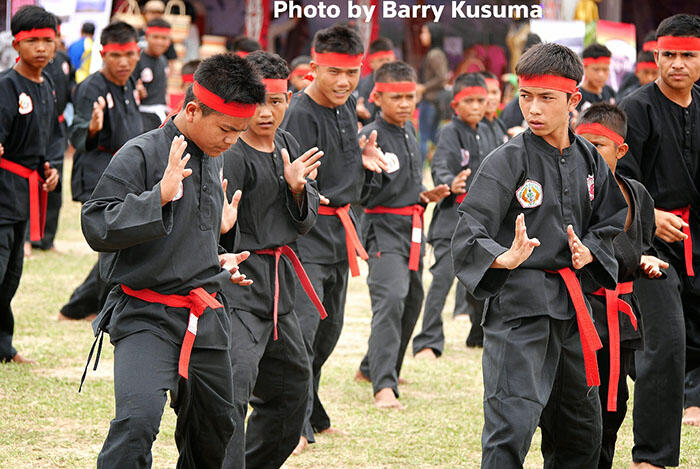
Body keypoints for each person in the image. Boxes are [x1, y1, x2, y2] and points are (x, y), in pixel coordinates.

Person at [80, 52, 264, 468]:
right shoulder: (140, 154)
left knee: (216, 424)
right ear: (194, 109)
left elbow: (188, 235)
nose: (232, 140)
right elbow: (95, 225)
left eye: (240, 131)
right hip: (146, 313)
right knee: (137, 422)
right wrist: (156, 198)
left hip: (205, 313)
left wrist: (218, 255)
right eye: (226, 129)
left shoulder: (214, 152)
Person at [451, 42, 627, 467]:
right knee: (511, 427)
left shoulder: (590, 160)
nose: (533, 109)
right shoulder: (505, 160)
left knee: (580, 431)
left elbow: (610, 220)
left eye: (547, 98)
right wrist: (502, 257)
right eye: (526, 97)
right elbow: (469, 231)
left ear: (573, 101)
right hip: (519, 309)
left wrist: (591, 251)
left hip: (574, 309)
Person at [281, 23, 389, 454]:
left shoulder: (348, 107)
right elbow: (294, 184)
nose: (343, 81)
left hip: (341, 235)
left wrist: (362, 160)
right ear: (313, 69)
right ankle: (294, 424)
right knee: (304, 334)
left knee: (329, 332)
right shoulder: (299, 114)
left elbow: (344, 176)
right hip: (307, 236)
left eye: (352, 71)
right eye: (333, 72)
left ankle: (314, 410)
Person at [220, 50, 325, 469]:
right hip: (238, 285)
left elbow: (304, 222)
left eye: (277, 101)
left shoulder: (287, 144)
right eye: (259, 100)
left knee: (293, 390)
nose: (267, 112)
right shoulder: (229, 150)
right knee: (233, 391)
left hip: (282, 289)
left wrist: (297, 190)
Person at [616, 13, 700, 467]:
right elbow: (618, 182)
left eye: (688, 55)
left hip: (697, 240)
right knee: (664, 344)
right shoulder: (637, 109)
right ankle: (652, 456)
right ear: (656, 56)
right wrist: (654, 216)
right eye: (669, 55)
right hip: (651, 248)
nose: (677, 64)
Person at [575, 103, 668, 469]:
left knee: (615, 403)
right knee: (583, 404)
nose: (588, 153)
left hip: (621, 316)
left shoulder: (638, 195)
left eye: (598, 145)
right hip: (582, 312)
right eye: (581, 144)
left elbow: (639, 246)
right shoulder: (574, 193)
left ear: (621, 150)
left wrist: (645, 261)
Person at [354, 60, 449, 408]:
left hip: (412, 226)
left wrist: (425, 196)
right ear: (378, 97)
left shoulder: (410, 131)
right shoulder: (369, 136)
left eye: (410, 97)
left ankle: (373, 367)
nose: (406, 104)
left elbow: (403, 184)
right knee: (391, 299)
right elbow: (362, 193)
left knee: (411, 301)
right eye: (397, 98)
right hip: (382, 230)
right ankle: (383, 385)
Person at [59, 22, 144, 322]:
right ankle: (89, 309)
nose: (123, 63)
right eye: (116, 56)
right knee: (113, 248)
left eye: (130, 55)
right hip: (99, 174)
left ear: (137, 52)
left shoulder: (130, 82)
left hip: (127, 172)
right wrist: (92, 128)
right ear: (103, 54)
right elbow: (77, 134)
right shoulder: (90, 88)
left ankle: (78, 308)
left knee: (121, 247)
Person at [412, 73, 489, 358]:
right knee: (442, 280)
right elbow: (440, 164)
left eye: (481, 100)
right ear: (456, 104)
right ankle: (428, 341)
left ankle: (479, 334)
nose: (476, 106)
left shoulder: (488, 131)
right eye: (469, 101)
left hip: (482, 221)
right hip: (452, 220)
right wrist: (449, 181)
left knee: (483, 281)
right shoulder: (449, 132)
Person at [0, 5, 60, 364]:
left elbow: (45, 136)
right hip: (3, 188)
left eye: (47, 41)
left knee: (10, 278)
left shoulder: (47, 84)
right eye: (32, 40)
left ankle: (3, 346)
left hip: (26, 191)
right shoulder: (6, 85)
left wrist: (48, 169)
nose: (40, 48)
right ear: (17, 44)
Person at [26, 16, 75, 253]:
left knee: (54, 184)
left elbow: (72, 89)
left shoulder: (64, 61)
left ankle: (48, 239)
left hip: (57, 128)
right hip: (33, 127)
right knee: (28, 181)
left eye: (51, 37)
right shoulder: (30, 63)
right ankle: (26, 238)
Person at [417, 23, 449, 162]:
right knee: (432, 137)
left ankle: (420, 168)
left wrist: (424, 87)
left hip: (430, 101)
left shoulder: (435, 54)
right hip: (433, 101)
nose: (421, 36)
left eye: (425, 32)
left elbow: (442, 78)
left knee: (423, 137)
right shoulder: (436, 53)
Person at [133, 18, 172, 131]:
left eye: (164, 38)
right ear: (146, 37)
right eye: (155, 37)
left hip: (160, 115)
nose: (160, 42)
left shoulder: (164, 60)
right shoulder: (136, 59)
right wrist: (136, 91)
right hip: (141, 118)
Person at [355, 37, 396, 126]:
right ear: (371, 63)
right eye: (381, 60)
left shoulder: (399, 82)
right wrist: (358, 110)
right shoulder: (364, 84)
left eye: (388, 59)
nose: (386, 63)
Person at [577, 43, 616, 113]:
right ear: (584, 68)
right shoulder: (577, 97)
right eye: (596, 69)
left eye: (605, 69)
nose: (601, 74)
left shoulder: (610, 91)